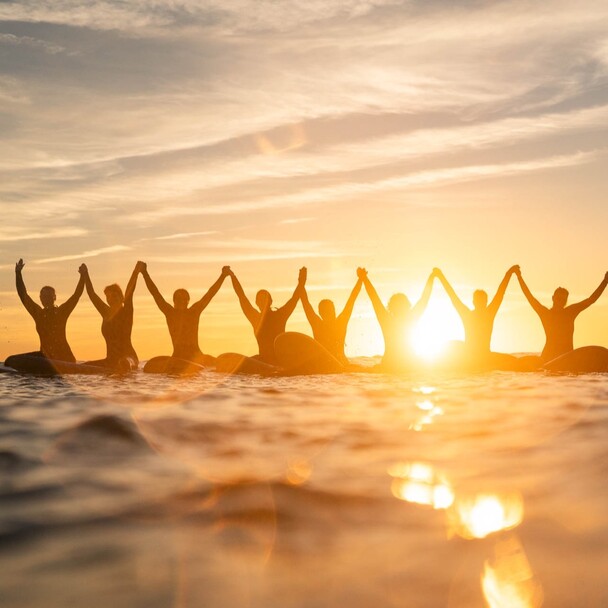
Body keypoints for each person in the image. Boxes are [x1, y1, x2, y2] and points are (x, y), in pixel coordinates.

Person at [140, 263, 231, 365]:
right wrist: (144, 273)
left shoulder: (194, 312)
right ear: (174, 301)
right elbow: (156, 294)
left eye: (184, 299)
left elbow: (210, 294)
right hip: (178, 357)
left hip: (197, 357)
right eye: (178, 298)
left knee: (219, 363)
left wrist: (223, 276)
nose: (181, 301)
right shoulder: (170, 313)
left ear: (188, 301)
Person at [433, 265, 519, 368]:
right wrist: (441, 276)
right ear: (474, 302)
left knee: (516, 361)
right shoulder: (469, 315)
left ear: (486, 302)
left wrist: (509, 273)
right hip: (470, 358)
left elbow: (500, 293)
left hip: (485, 356)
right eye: (479, 301)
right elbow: (452, 296)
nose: (481, 304)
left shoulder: (488, 313)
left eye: (483, 301)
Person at [515, 268, 608, 362]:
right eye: (558, 298)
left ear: (565, 301)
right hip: (549, 359)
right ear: (553, 298)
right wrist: (519, 277)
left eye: (563, 300)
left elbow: (591, 300)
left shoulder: (570, 312)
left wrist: (605, 281)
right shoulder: (545, 313)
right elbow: (529, 296)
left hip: (566, 358)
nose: (560, 301)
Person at [7, 258, 86, 364]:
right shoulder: (38, 313)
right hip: (44, 357)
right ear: (40, 298)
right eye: (43, 296)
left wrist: (82, 276)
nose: (46, 298)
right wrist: (18, 273)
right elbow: (23, 295)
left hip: (64, 358)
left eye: (49, 296)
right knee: (11, 360)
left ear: (54, 297)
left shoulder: (62, 312)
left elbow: (76, 295)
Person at [360, 267, 435, 370]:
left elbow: (374, 297)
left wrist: (364, 278)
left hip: (393, 364)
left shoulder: (388, 320)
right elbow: (424, 299)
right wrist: (432, 277)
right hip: (406, 365)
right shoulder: (408, 319)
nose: (400, 310)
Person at [228, 267, 306, 364]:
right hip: (263, 360)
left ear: (270, 301)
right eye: (260, 300)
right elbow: (241, 296)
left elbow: (294, 299)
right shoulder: (255, 318)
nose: (262, 302)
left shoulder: (280, 315)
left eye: (264, 299)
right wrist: (232, 276)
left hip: (280, 360)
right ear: (257, 303)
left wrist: (302, 281)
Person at [81, 262, 143, 371]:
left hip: (130, 358)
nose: (111, 299)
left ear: (121, 297)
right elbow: (92, 294)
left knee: (123, 363)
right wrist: (85, 274)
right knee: (82, 368)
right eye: (108, 296)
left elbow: (130, 289)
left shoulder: (127, 311)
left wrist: (136, 271)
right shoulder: (105, 312)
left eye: (114, 296)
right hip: (111, 360)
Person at [300, 270, 363, 364]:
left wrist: (360, 279)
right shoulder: (319, 324)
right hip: (332, 363)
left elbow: (352, 298)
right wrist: (301, 283)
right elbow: (305, 303)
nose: (330, 313)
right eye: (326, 311)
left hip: (338, 363)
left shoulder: (339, 322)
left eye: (331, 310)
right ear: (321, 313)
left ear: (334, 310)